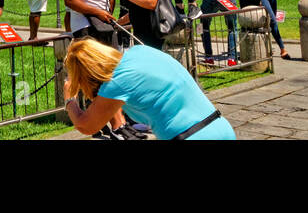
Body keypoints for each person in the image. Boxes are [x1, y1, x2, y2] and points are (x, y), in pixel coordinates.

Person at [63, 37, 235, 140]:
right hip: (220, 127)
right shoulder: (140, 52)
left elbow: (87, 126)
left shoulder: (117, 82)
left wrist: (70, 99)